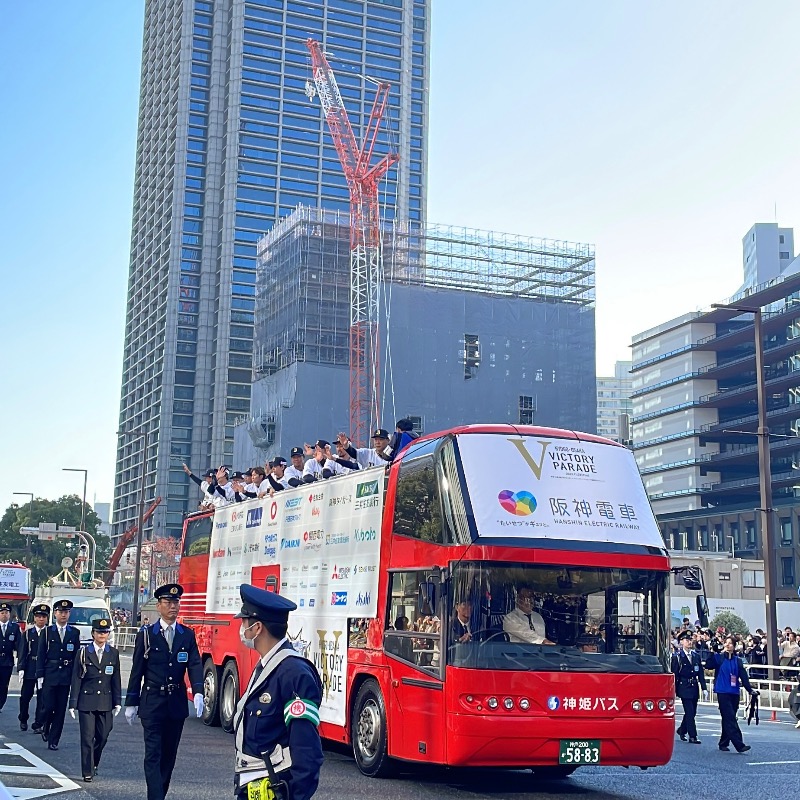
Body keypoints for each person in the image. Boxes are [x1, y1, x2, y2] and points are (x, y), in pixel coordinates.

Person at [232, 584, 323, 800]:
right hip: (253, 788)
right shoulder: (266, 665)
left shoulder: (293, 673)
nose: (241, 628)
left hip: (276, 791)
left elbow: (307, 751)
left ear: (257, 628)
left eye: (244, 622)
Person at [125, 584, 204, 800]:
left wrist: (198, 691)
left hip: (175, 703)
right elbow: (137, 669)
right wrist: (131, 702)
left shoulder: (186, 634)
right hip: (152, 702)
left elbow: (194, 664)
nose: (173, 606)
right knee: (153, 755)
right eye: (168, 602)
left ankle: (160, 794)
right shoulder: (147, 635)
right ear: (158, 606)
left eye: (176, 602)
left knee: (169, 755)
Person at [68, 618, 122, 782]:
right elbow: (76, 679)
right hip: (87, 701)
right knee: (87, 738)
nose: (102, 635)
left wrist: (118, 701)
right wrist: (73, 703)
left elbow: (116, 679)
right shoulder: (83, 652)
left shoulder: (113, 653)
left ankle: (94, 762)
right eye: (99, 632)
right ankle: (87, 771)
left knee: (103, 736)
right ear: (93, 634)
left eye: (105, 632)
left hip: (105, 701)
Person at [36, 599, 81, 750]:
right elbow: (41, 654)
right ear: (55, 613)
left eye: (66, 612)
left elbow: (76, 656)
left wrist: (76, 677)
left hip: (65, 676)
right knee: (48, 706)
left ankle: (54, 740)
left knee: (60, 709)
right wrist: (40, 675)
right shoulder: (47, 631)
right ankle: (46, 725)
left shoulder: (74, 632)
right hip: (50, 673)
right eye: (61, 612)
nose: (64, 615)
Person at [705, 635, 758, 753]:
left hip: (734, 692)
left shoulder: (737, 661)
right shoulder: (719, 658)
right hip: (722, 692)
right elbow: (708, 665)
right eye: (726, 643)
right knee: (730, 718)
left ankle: (723, 742)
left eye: (730, 643)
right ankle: (739, 744)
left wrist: (750, 690)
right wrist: (711, 652)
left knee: (728, 718)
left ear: (734, 647)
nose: (727, 645)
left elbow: (744, 677)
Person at [671, 630, 707, 744]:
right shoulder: (677, 657)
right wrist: (674, 690)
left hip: (694, 686)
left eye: (690, 639)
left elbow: (700, 672)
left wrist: (704, 688)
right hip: (684, 686)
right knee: (690, 712)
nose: (689, 642)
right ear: (681, 642)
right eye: (687, 640)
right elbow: (675, 674)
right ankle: (693, 736)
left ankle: (682, 730)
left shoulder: (695, 656)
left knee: (692, 711)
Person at [20, 603, 49, 732]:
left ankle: (39, 722)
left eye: (44, 616)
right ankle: (23, 718)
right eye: (38, 616)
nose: (41, 619)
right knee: (26, 696)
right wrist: (21, 668)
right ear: (34, 618)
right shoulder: (28, 634)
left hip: (44, 668)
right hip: (30, 667)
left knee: (42, 698)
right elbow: (22, 651)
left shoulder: (50, 633)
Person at [0, 602, 21, 712]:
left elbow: (19, 645)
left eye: (6, 613)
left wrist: (21, 661)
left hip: (7, 661)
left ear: (9, 614)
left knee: (4, 685)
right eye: (2, 613)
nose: (4, 615)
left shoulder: (14, 628)